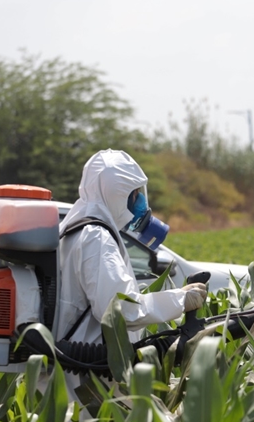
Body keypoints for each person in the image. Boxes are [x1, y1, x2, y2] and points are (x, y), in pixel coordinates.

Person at [55, 149, 206, 404]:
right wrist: (181, 301)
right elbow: (122, 310)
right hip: (89, 381)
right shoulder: (96, 237)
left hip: (75, 373)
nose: (140, 203)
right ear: (117, 193)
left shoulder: (74, 227)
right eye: (135, 194)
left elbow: (111, 297)